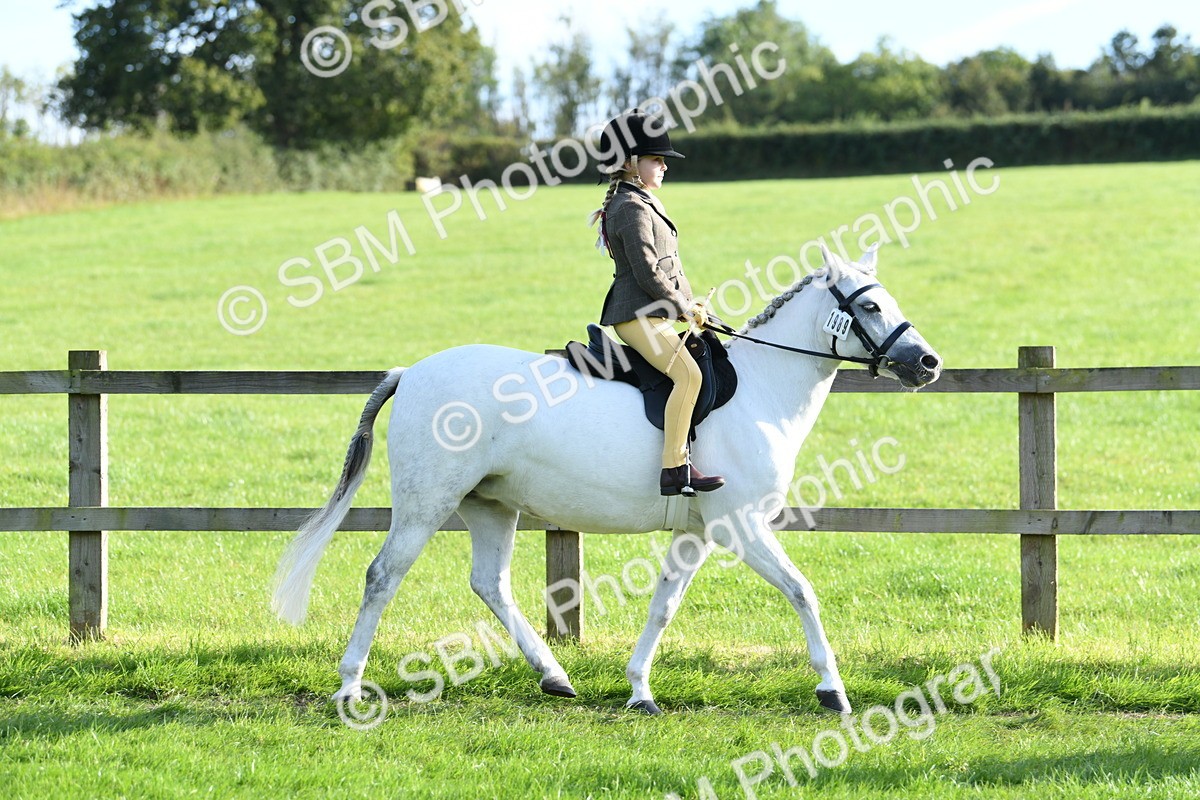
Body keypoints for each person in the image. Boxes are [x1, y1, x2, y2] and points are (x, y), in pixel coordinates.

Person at [588, 110, 725, 497]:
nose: (664, 166)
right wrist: (683, 305)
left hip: (651, 312)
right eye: (656, 159)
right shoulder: (630, 208)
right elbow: (648, 271)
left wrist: (690, 304)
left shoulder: (640, 201)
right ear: (630, 163)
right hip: (636, 315)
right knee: (689, 376)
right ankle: (674, 470)